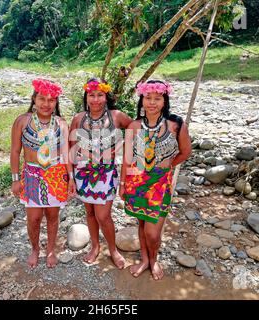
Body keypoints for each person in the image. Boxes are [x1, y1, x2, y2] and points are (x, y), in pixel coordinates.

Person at [119, 79, 192, 280]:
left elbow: (186, 151)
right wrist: (123, 184)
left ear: (164, 100)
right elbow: (127, 159)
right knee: (141, 224)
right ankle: (144, 260)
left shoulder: (176, 125)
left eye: (157, 98)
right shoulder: (134, 126)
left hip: (160, 184)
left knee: (153, 232)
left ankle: (154, 259)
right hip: (136, 182)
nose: (152, 102)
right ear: (142, 100)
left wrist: (170, 163)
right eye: (148, 98)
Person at [10, 78, 76, 268]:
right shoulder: (22, 121)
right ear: (34, 99)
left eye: (51, 100)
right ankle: (35, 249)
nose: (46, 104)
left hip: (56, 175)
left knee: (53, 217)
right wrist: (15, 179)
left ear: (56, 103)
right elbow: (15, 151)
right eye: (42, 99)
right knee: (34, 218)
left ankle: (50, 250)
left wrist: (70, 178)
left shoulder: (61, 123)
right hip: (31, 175)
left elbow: (65, 154)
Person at [69, 78, 133, 269]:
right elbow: (71, 147)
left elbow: (136, 131)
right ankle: (95, 246)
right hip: (82, 173)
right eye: (91, 95)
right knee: (89, 212)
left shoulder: (117, 116)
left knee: (103, 216)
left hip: (106, 174)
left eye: (100, 95)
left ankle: (113, 250)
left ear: (106, 97)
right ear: (86, 97)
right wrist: (71, 177)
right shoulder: (78, 118)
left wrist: (122, 147)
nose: (95, 99)